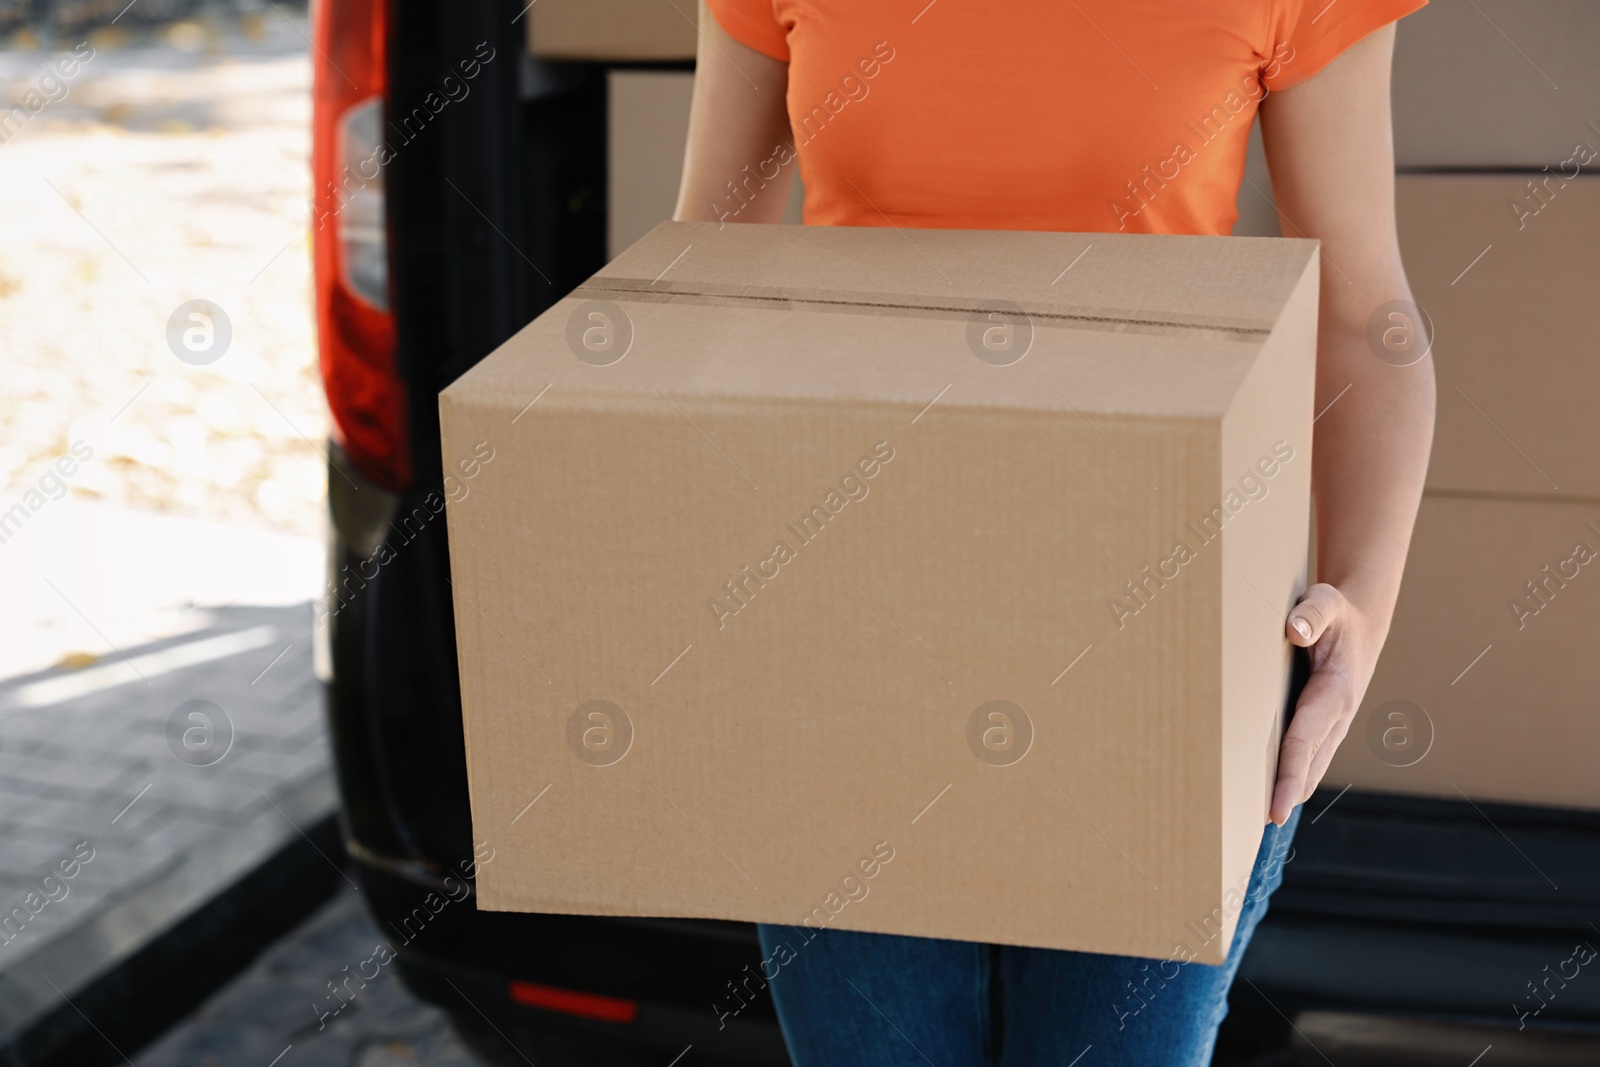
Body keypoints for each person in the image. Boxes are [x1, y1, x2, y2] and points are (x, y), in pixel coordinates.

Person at [674, 0, 1436, 1062]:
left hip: (1156, 654)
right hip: (851, 641)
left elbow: (1364, 319)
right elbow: (714, 278)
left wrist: (1362, 599)